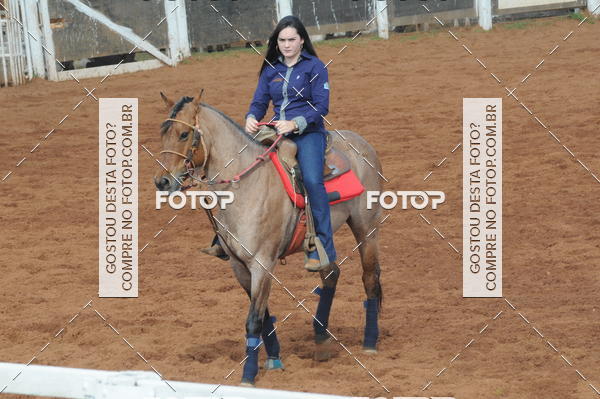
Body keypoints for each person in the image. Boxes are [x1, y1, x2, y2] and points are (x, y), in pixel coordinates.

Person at [203, 15, 337, 272]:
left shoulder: (315, 67)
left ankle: (323, 247)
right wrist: (252, 117)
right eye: (282, 40)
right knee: (237, 164)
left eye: (291, 40)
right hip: (275, 131)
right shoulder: (270, 69)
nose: (286, 45)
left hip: (308, 133)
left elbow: (321, 107)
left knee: (311, 179)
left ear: (301, 41)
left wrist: (295, 123)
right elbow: (259, 101)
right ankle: (224, 236)